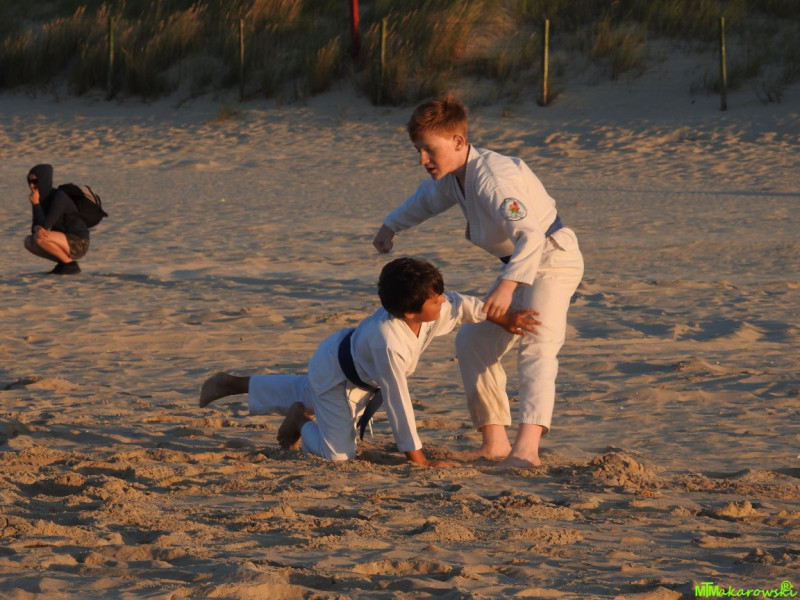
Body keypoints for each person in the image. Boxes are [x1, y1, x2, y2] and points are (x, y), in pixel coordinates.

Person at [372, 95, 584, 468]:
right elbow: (424, 201)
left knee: (536, 344)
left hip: (552, 258)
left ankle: (527, 451)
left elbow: (531, 236)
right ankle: (495, 443)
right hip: (520, 265)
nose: (423, 159)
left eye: (429, 149)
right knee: (473, 340)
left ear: (458, 141)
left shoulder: (494, 178)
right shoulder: (456, 176)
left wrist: (508, 284)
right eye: (419, 150)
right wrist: (391, 226)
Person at [199, 257, 538, 467]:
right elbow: (398, 401)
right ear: (410, 312)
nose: (441, 302)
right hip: (339, 374)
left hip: (346, 360)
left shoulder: (430, 309)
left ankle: (234, 383)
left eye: (438, 294)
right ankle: (300, 421)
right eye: (434, 300)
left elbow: (462, 305)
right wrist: (419, 460)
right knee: (338, 454)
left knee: (307, 389)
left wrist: (504, 319)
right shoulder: (389, 341)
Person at [24, 164, 89, 274]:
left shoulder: (58, 197)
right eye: (30, 182)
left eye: (35, 181)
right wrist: (36, 205)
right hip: (62, 240)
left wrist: (36, 204)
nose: (32, 185)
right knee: (28, 241)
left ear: (44, 180)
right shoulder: (40, 198)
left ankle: (69, 265)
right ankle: (64, 263)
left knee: (40, 239)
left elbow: (45, 225)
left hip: (79, 242)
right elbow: (35, 228)